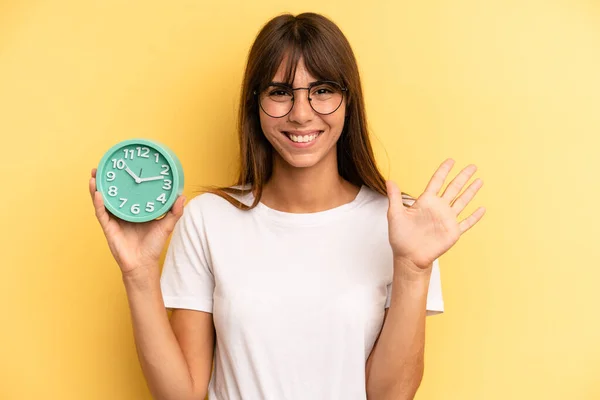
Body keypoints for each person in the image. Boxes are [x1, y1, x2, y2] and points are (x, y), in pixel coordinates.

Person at [89, 12, 485, 400]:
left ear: (349, 101)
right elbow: (181, 395)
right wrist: (139, 274)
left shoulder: (402, 225)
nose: (300, 113)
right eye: (279, 92)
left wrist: (414, 270)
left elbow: (390, 396)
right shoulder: (209, 218)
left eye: (323, 90)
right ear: (255, 103)